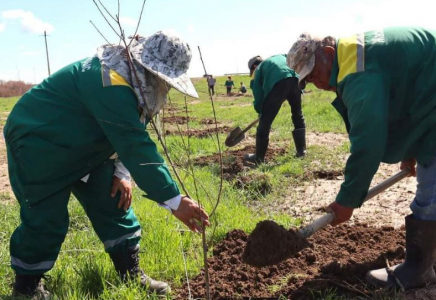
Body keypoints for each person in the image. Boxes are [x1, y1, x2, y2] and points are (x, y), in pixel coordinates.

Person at [5, 31, 210, 299]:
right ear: (147, 65)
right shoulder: (110, 80)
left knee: (114, 199)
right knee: (45, 216)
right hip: (40, 140)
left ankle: (131, 273)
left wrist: (122, 173)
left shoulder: (137, 81)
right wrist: (173, 200)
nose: (165, 86)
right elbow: (134, 142)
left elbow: (132, 127)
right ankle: (27, 287)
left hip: (88, 142)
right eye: (163, 78)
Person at [287, 27, 436, 290]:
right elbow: (410, 91)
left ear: (329, 53)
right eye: (309, 81)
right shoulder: (355, 53)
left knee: (430, 193)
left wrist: (347, 200)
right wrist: (411, 150)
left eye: (316, 74)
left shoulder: (358, 71)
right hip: (429, 98)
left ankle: (419, 269)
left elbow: (368, 142)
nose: (318, 84)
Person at [245, 54, 306, 163]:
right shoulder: (279, 57)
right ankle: (301, 152)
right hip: (295, 79)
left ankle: (259, 158)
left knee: (265, 122)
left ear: (254, 66)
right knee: (297, 114)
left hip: (279, 82)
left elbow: (258, 95)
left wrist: (261, 111)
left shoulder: (258, 69)